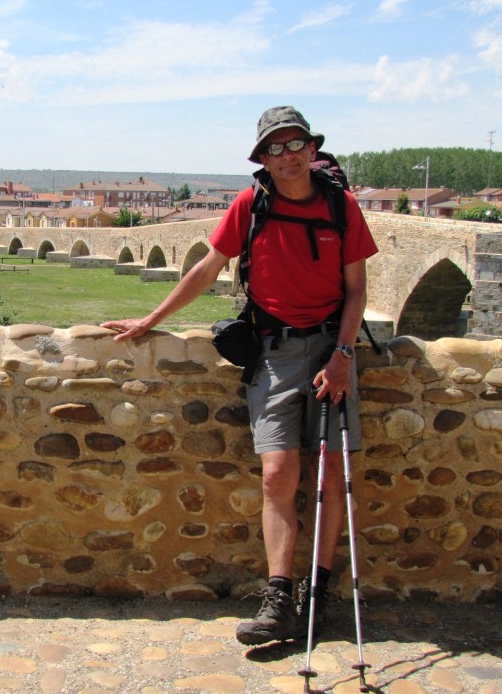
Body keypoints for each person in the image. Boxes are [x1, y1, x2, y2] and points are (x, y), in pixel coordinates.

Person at [102, 106, 378, 645]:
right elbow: (207, 268)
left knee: (327, 473)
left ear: (312, 150)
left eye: (296, 144)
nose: (288, 155)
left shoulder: (342, 207)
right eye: (275, 147)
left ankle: (317, 593)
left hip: (330, 349)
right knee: (278, 473)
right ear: (263, 159)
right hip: (274, 352)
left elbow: (357, 288)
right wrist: (151, 320)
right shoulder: (251, 205)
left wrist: (343, 353)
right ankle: (279, 597)